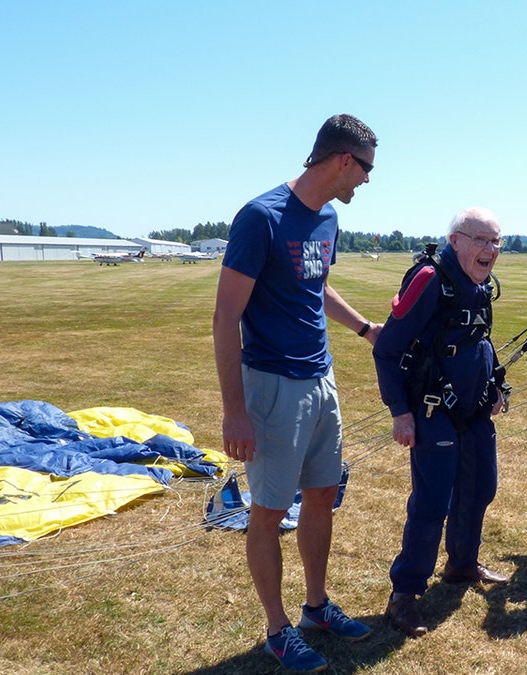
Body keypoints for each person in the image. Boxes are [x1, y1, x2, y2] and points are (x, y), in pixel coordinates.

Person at [213, 114, 380, 672]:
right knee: (267, 511)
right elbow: (225, 316)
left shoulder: (328, 217)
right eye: (365, 169)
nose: (365, 181)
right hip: (273, 387)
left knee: (322, 496)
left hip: (321, 380)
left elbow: (318, 286)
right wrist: (235, 411)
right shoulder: (260, 218)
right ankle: (277, 628)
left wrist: (363, 330)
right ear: (341, 161)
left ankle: (315, 607)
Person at [373, 207, 509, 638]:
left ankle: (461, 562)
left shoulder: (480, 284)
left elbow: (479, 339)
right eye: (481, 240)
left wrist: (497, 383)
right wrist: (400, 411)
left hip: (474, 410)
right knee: (432, 505)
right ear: (455, 241)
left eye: (496, 242)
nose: (490, 250)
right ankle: (405, 595)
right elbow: (387, 350)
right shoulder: (431, 280)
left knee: (481, 487)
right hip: (433, 412)